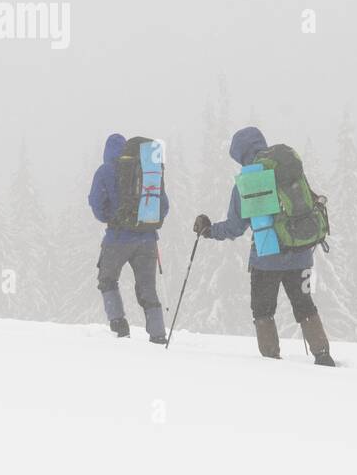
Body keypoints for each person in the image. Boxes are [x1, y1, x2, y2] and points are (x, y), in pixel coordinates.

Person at [193, 126, 334, 366]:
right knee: (304, 305)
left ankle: (271, 363)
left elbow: (236, 227)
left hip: (266, 259)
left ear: (240, 154)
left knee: (263, 311)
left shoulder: (248, 181)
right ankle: (323, 355)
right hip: (301, 254)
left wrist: (209, 230)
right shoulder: (289, 169)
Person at [88, 133, 170, 343]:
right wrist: (144, 222)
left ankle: (119, 326)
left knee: (107, 279)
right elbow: (164, 206)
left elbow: (97, 205)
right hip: (148, 240)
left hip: (117, 238)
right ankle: (158, 334)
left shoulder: (106, 170)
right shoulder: (146, 170)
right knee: (147, 288)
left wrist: (114, 218)